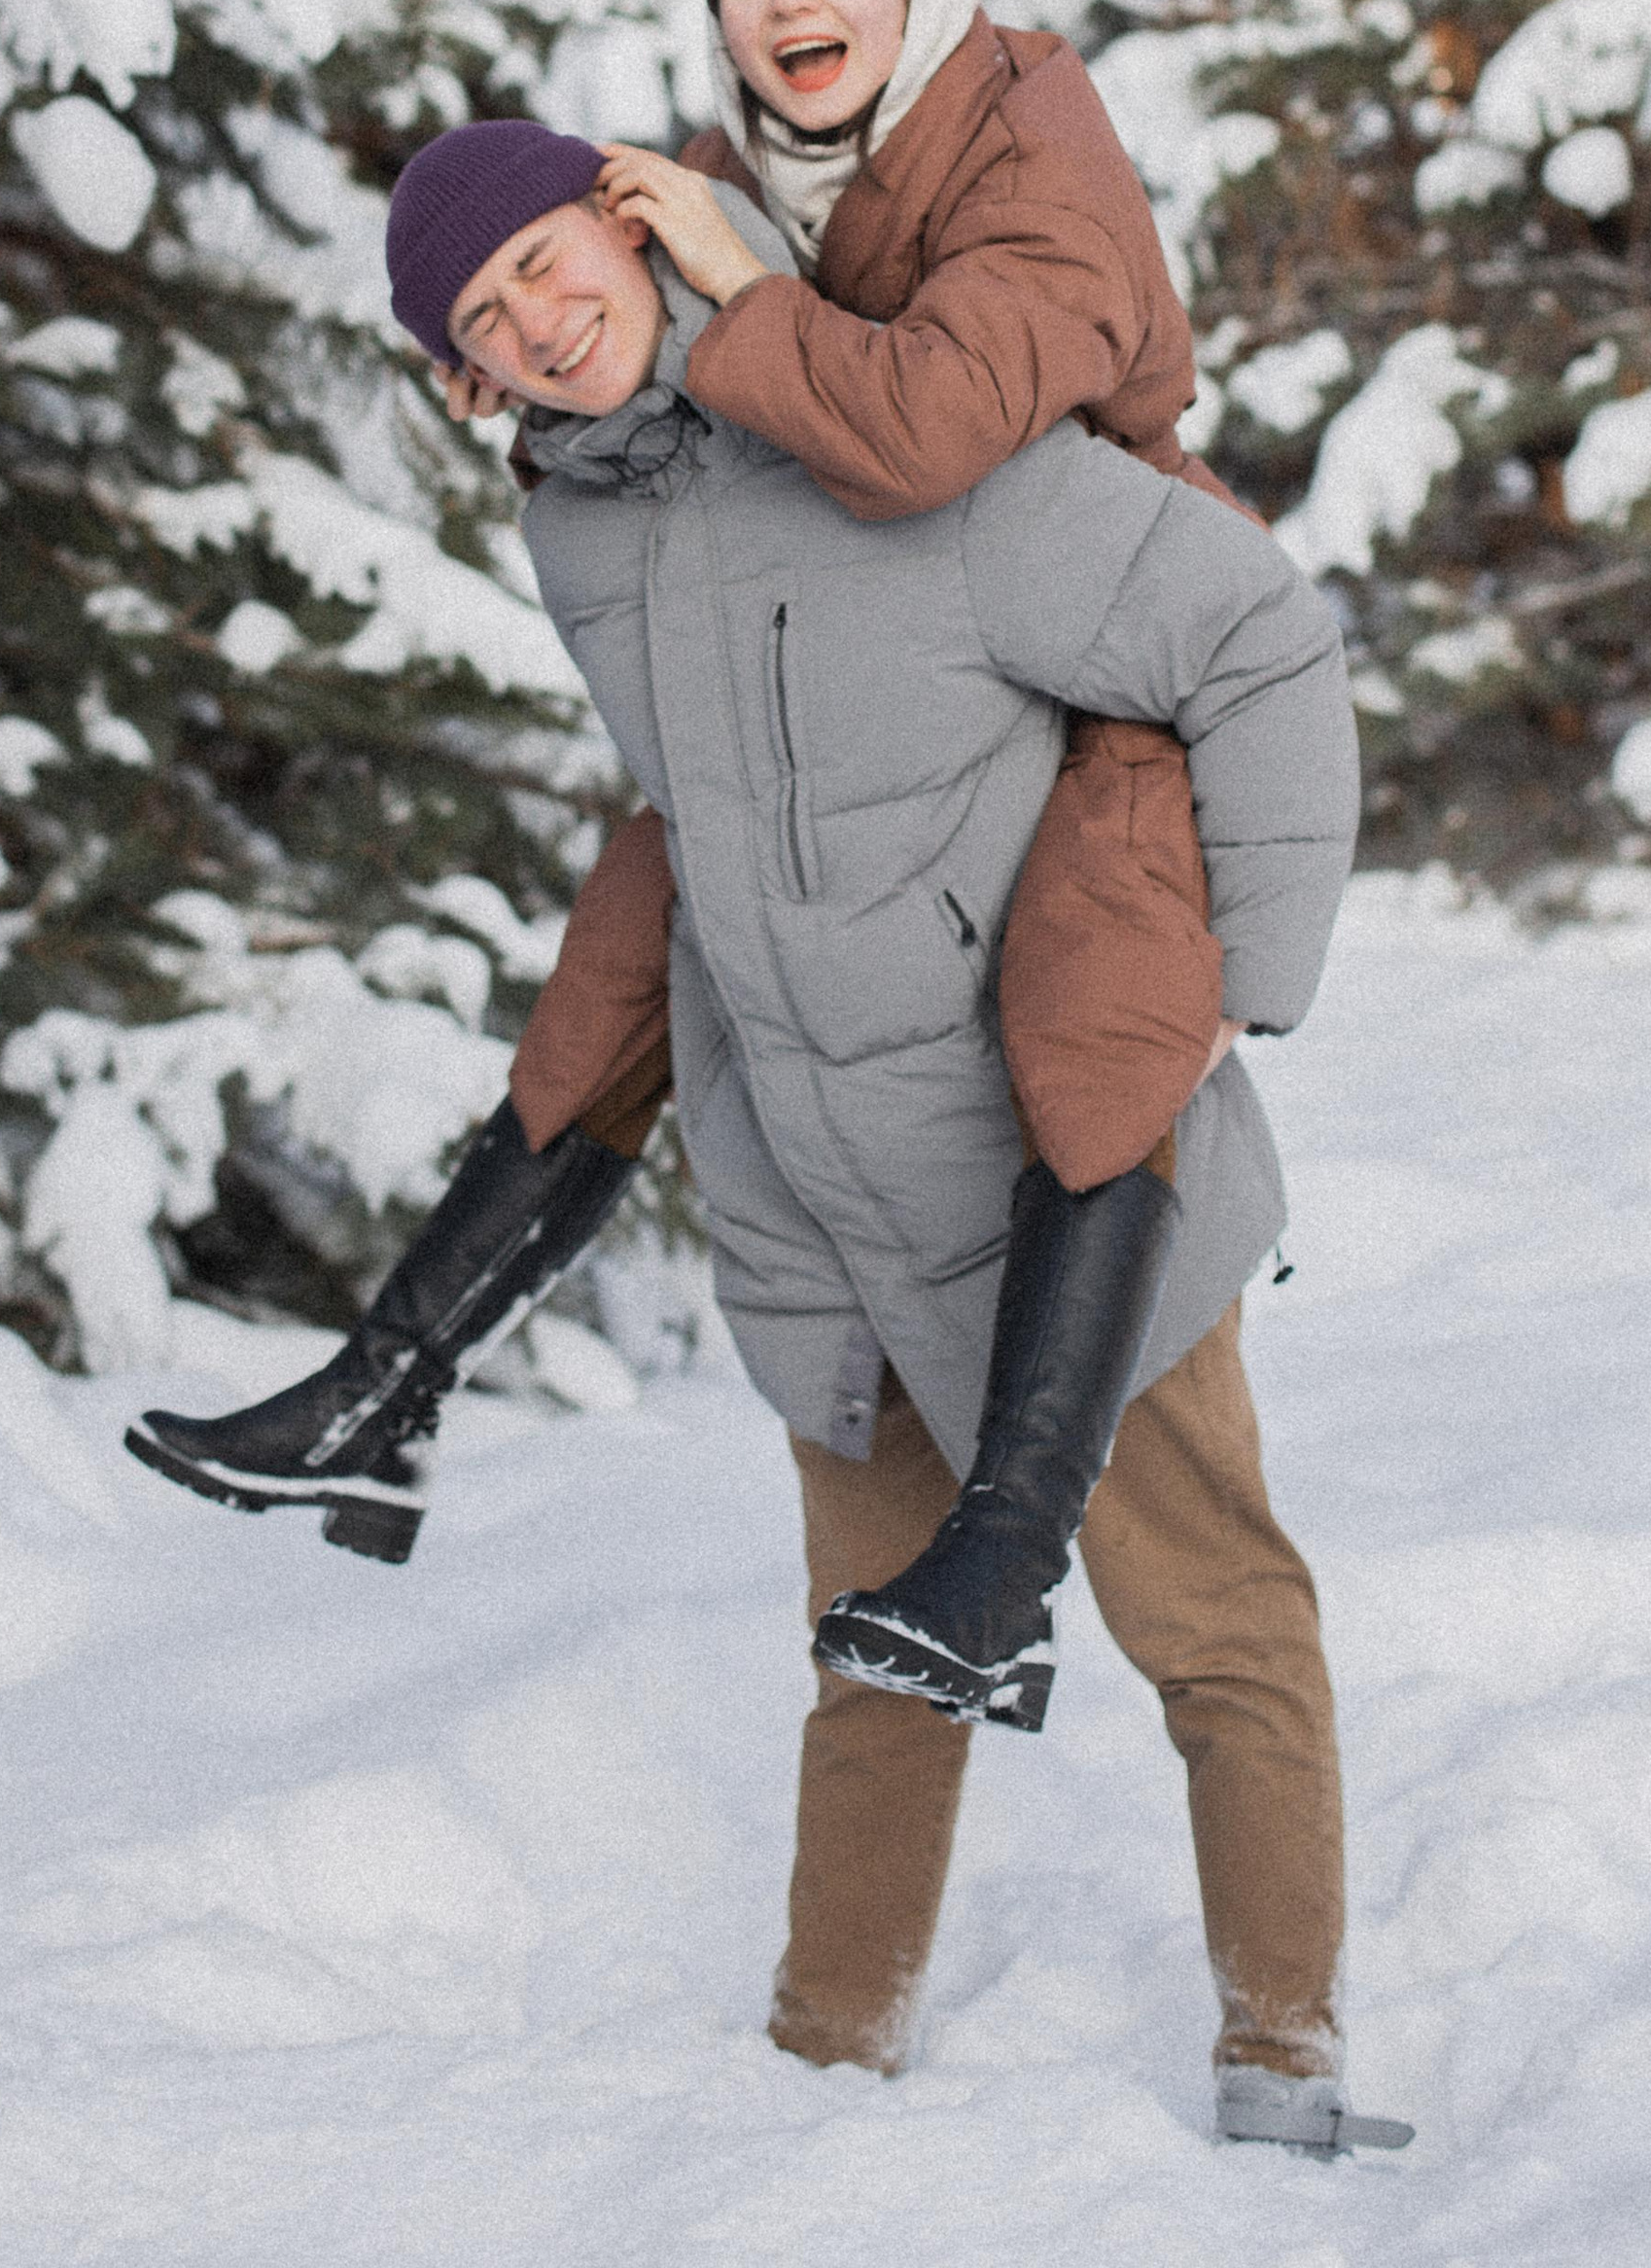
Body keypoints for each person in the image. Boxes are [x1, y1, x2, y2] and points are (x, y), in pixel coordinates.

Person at [133, 127, 1409, 2152]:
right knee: (872, 1654)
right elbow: (699, 822)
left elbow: (1251, 637)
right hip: (809, 1182)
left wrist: (1233, 984)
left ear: (626, 221)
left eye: (547, 262)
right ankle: (821, 2070)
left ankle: (1282, 2060)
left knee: (1213, 1620)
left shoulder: (895, 432)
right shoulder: (584, 534)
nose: (541, 320)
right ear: (469, 378)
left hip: (1067, 1170)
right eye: (487, 324)